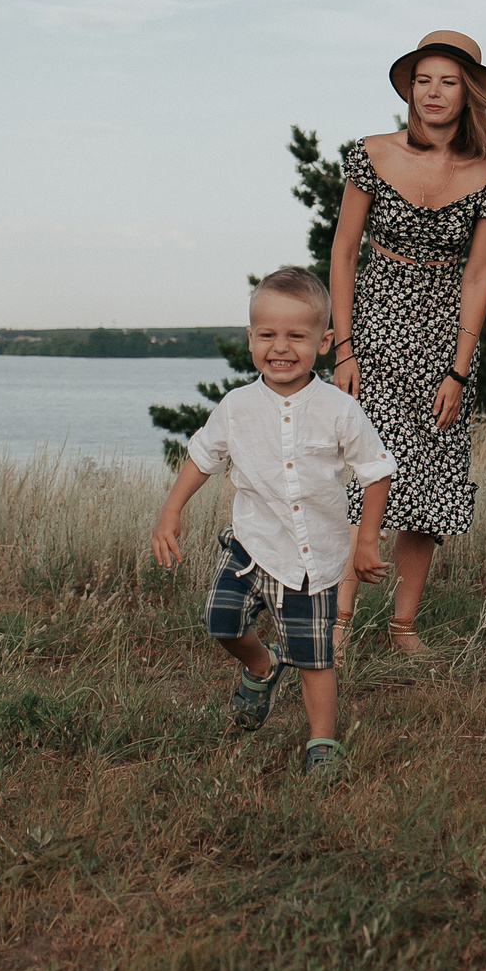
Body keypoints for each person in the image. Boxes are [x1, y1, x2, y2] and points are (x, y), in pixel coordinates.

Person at [326, 30, 486, 651]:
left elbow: (480, 272)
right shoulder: (369, 153)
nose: (433, 93)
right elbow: (343, 252)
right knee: (360, 474)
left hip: (444, 337)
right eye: (423, 80)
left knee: (431, 479)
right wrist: (345, 347)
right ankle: (337, 622)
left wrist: (459, 368)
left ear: (467, 91)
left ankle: (403, 626)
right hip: (374, 324)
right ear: (410, 89)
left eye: (447, 81)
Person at [151, 266, 394, 774]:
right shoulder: (237, 407)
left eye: (296, 336)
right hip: (250, 545)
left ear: (324, 342)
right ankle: (261, 666)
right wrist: (171, 512)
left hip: (313, 561)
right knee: (220, 622)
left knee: (314, 657)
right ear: (251, 338)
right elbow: (201, 458)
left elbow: (376, 471)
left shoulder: (339, 408)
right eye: (267, 335)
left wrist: (366, 541)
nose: (280, 347)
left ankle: (322, 744)